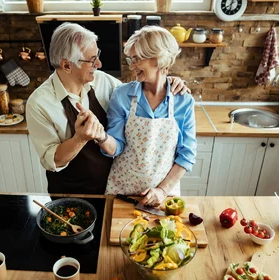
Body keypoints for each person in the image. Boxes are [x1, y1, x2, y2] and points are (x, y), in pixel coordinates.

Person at [26, 22, 189, 195]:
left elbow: (140, 91)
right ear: (67, 65)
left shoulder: (104, 82)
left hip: (113, 188)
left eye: (98, 56)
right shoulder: (39, 104)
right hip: (71, 193)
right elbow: (53, 160)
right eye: (92, 60)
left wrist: (167, 81)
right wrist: (80, 139)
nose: (100, 64)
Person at [99, 26, 197, 206]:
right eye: (131, 59)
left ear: (159, 58)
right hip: (122, 192)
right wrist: (101, 137)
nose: (131, 65)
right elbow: (117, 146)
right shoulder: (121, 96)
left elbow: (187, 154)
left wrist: (162, 190)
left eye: (136, 59)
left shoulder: (183, 101)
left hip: (163, 196)